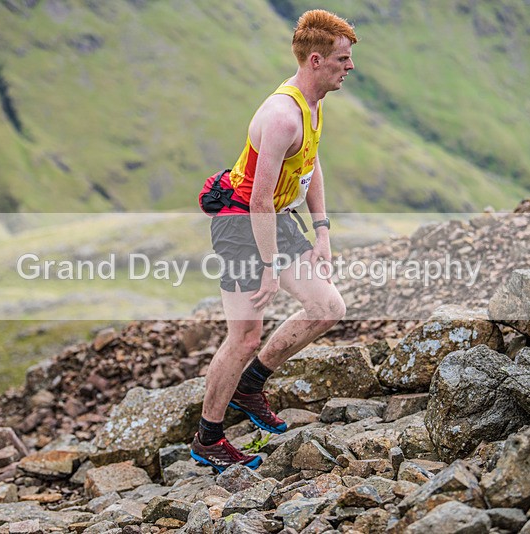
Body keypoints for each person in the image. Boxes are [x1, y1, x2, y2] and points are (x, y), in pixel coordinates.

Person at [191, 10, 356, 471]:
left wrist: (321, 230)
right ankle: (208, 438)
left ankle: (250, 385)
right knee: (244, 336)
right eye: (343, 59)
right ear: (317, 60)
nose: (350, 67)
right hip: (241, 222)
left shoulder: (314, 103)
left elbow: (309, 162)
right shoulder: (282, 116)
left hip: (273, 218)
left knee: (327, 309)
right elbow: (258, 202)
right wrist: (268, 265)